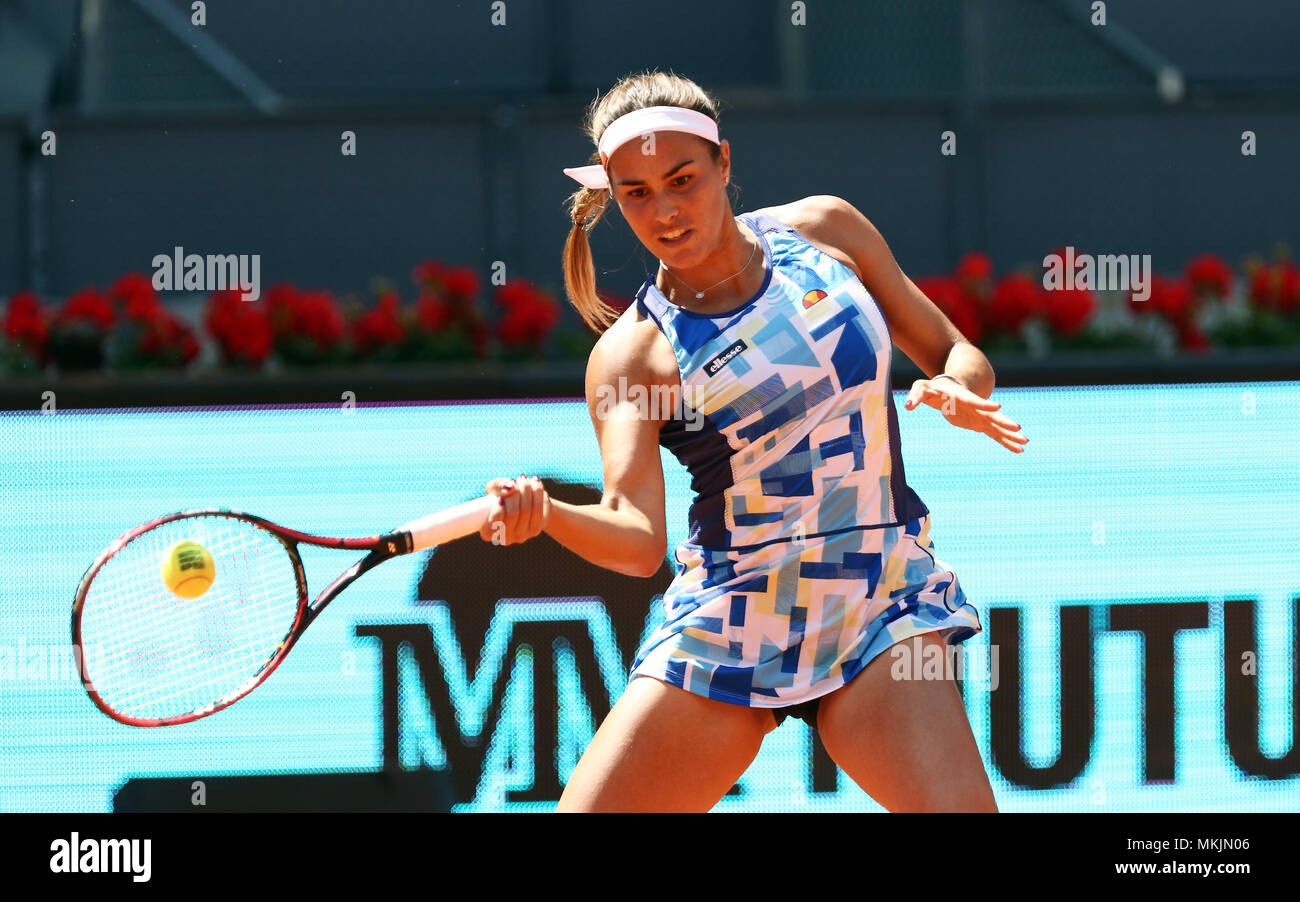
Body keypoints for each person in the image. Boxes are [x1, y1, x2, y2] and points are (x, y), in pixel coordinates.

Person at [478, 69, 1027, 812]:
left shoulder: (828, 232)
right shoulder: (633, 356)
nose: (666, 211)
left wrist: (959, 388)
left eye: (683, 179)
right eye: (637, 193)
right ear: (614, 198)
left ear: (724, 163)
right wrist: (547, 517)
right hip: (733, 615)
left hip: (877, 595)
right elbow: (638, 538)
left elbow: (956, 352)